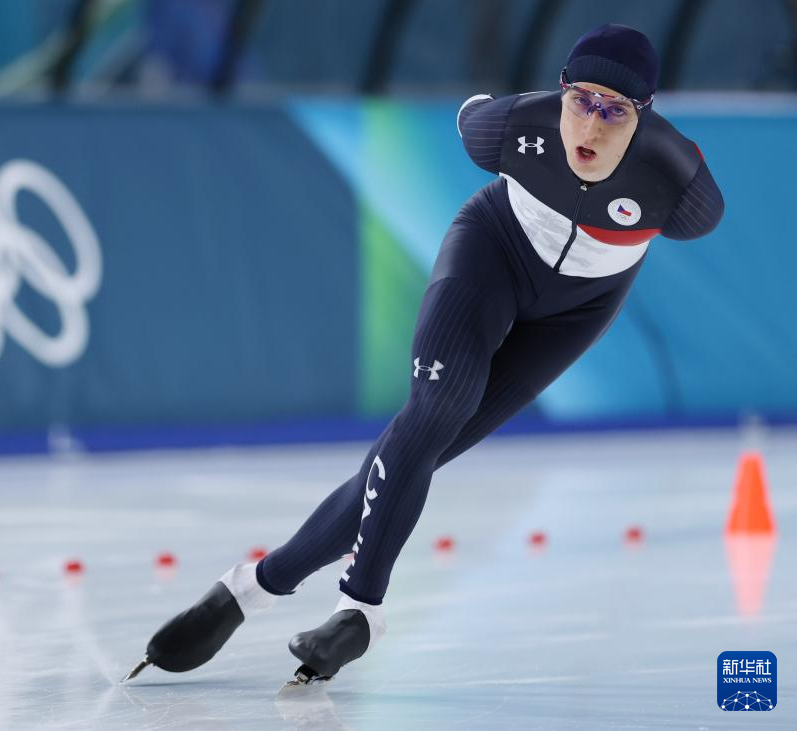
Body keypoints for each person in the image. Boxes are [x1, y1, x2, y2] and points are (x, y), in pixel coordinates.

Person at [126, 23, 725, 686]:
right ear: (559, 92)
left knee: (417, 450)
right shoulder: (510, 129)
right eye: (580, 100)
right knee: (434, 410)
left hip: (575, 312)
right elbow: (471, 115)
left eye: (614, 111)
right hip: (491, 254)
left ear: (644, 117)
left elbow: (704, 212)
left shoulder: (680, 187)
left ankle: (249, 589)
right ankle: (359, 609)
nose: (590, 124)